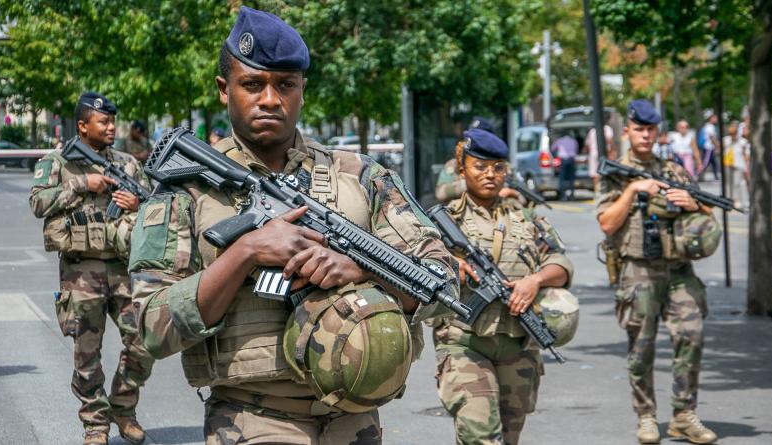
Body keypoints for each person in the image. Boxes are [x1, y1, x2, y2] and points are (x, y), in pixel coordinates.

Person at [128, 8, 459, 444]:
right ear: (224, 90)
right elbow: (148, 328)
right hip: (252, 419)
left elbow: (443, 284)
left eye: (285, 85)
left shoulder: (360, 176)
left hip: (356, 421)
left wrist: (359, 269)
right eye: (253, 84)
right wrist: (246, 253)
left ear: (302, 90)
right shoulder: (186, 190)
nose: (270, 99)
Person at [429, 128, 574, 444]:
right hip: (462, 340)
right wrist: (452, 265)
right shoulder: (443, 220)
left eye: (498, 167)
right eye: (480, 166)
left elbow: (561, 265)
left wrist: (534, 281)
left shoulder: (526, 218)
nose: (490, 175)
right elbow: (415, 263)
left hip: (518, 343)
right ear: (462, 167)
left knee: (508, 438)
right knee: (481, 436)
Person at [29, 92, 155, 445]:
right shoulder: (58, 162)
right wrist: (83, 184)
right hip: (80, 274)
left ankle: (124, 409)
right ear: (83, 126)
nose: (112, 127)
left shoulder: (128, 164)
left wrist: (137, 204)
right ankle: (95, 425)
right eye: (104, 122)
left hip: (122, 270)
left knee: (144, 342)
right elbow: (38, 202)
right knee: (87, 354)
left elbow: (156, 210)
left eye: (114, 121)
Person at [597, 99, 719, 444]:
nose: (646, 136)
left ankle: (683, 414)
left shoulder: (673, 169)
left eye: (651, 130)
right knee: (642, 347)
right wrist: (634, 189)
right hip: (639, 270)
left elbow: (707, 213)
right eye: (640, 129)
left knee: (691, 335)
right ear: (628, 131)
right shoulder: (614, 172)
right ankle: (646, 416)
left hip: (679, 268)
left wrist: (692, 203)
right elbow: (606, 223)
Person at [435, 116, 522, 205]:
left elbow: (523, 197)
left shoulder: (504, 167)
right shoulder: (454, 164)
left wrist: (511, 192)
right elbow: (440, 193)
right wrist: (472, 183)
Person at [585, 124, 614, 189]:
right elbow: (610, 140)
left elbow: (587, 145)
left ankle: (597, 190)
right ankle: (603, 189)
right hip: (604, 153)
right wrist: (612, 152)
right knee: (604, 172)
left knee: (595, 174)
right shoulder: (607, 128)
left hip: (593, 153)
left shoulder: (592, 131)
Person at [552, 134, 579, 200]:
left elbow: (553, 149)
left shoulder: (560, 140)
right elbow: (576, 150)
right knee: (571, 178)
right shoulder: (574, 141)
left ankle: (563, 196)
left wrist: (555, 156)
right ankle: (572, 194)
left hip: (563, 160)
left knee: (562, 179)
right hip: (571, 160)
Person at [698, 110, 719, 180]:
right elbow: (712, 137)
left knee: (713, 163)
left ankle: (715, 176)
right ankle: (699, 175)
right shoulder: (710, 127)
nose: (716, 119)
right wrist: (717, 146)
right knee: (705, 163)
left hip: (709, 148)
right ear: (711, 118)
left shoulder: (708, 126)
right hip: (708, 148)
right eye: (715, 118)